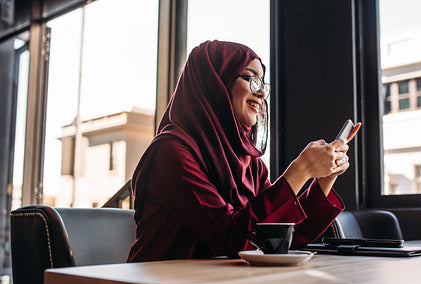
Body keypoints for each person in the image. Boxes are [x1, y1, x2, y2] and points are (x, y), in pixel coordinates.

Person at [127, 40, 361, 262]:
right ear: (214, 83)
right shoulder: (170, 152)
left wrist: (325, 177)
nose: (261, 95)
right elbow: (230, 239)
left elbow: (282, 236)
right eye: (250, 78)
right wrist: (301, 170)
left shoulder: (251, 163)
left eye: (263, 84)